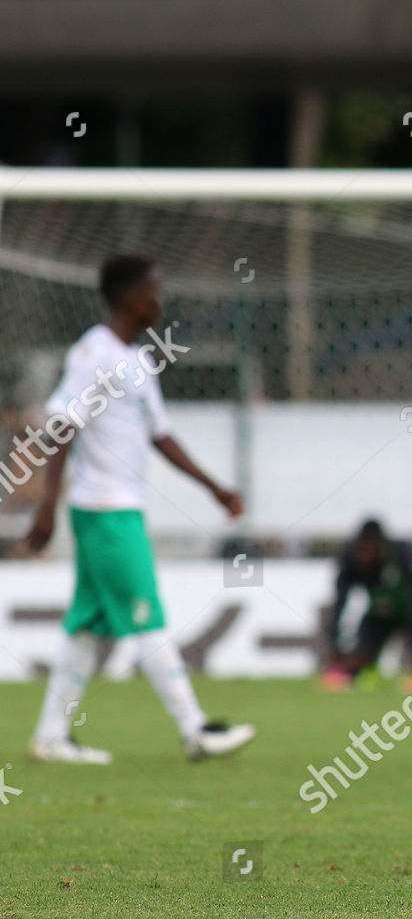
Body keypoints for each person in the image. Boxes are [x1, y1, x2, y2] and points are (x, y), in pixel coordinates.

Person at [26, 254, 255, 764]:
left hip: (120, 509)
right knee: (144, 615)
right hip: (103, 510)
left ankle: (50, 736)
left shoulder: (139, 360)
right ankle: (196, 729)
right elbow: (62, 425)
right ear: (130, 296)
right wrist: (47, 502)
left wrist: (213, 487)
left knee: (85, 627)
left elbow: (160, 435)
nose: (160, 300)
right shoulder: (94, 353)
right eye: (154, 290)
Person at [321, 518, 412, 692]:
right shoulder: (351, 559)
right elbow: (340, 601)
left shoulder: (403, 554)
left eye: (370, 550)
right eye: (362, 550)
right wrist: (333, 639)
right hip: (380, 612)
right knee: (362, 645)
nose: (365, 556)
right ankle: (350, 673)